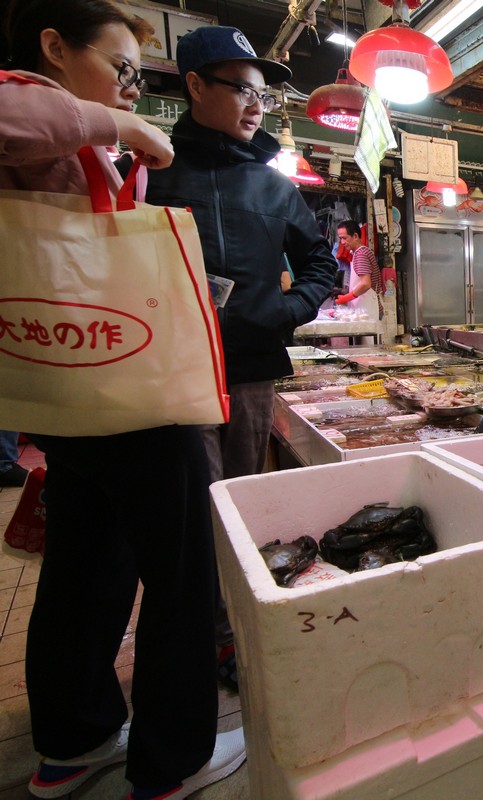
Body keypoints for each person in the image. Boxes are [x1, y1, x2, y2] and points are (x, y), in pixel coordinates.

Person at [0, 1, 244, 797]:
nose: (132, 90)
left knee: (84, 571)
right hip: (134, 400)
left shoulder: (71, 142)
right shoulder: (34, 107)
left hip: (76, 398)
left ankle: (76, 741)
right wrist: (122, 129)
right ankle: (173, 761)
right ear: (52, 49)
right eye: (121, 68)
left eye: (139, 77)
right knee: (181, 578)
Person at [145, 25, 337, 483]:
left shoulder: (273, 186)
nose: (256, 106)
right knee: (193, 499)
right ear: (195, 85)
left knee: (245, 494)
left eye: (263, 96)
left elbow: (320, 261)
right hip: (172, 372)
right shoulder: (148, 172)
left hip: (252, 367)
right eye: (243, 90)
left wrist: (283, 310)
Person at [335, 219, 383, 319]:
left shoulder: (361, 254)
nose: (342, 242)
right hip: (365, 307)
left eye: (344, 238)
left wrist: (347, 298)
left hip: (368, 308)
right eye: (340, 239)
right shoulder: (359, 252)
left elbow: (365, 283)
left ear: (355, 236)